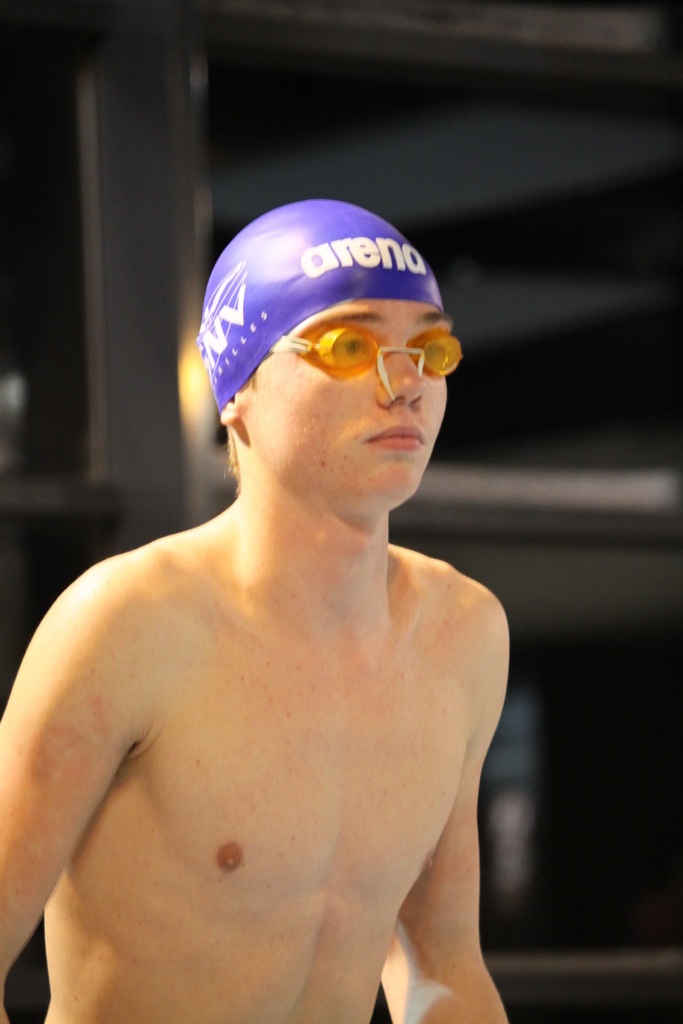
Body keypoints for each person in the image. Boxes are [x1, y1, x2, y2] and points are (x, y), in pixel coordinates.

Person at [0, 199, 509, 1024]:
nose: (404, 383)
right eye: (348, 347)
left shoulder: (462, 634)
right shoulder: (128, 625)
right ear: (237, 388)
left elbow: (442, 962)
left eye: (429, 349)